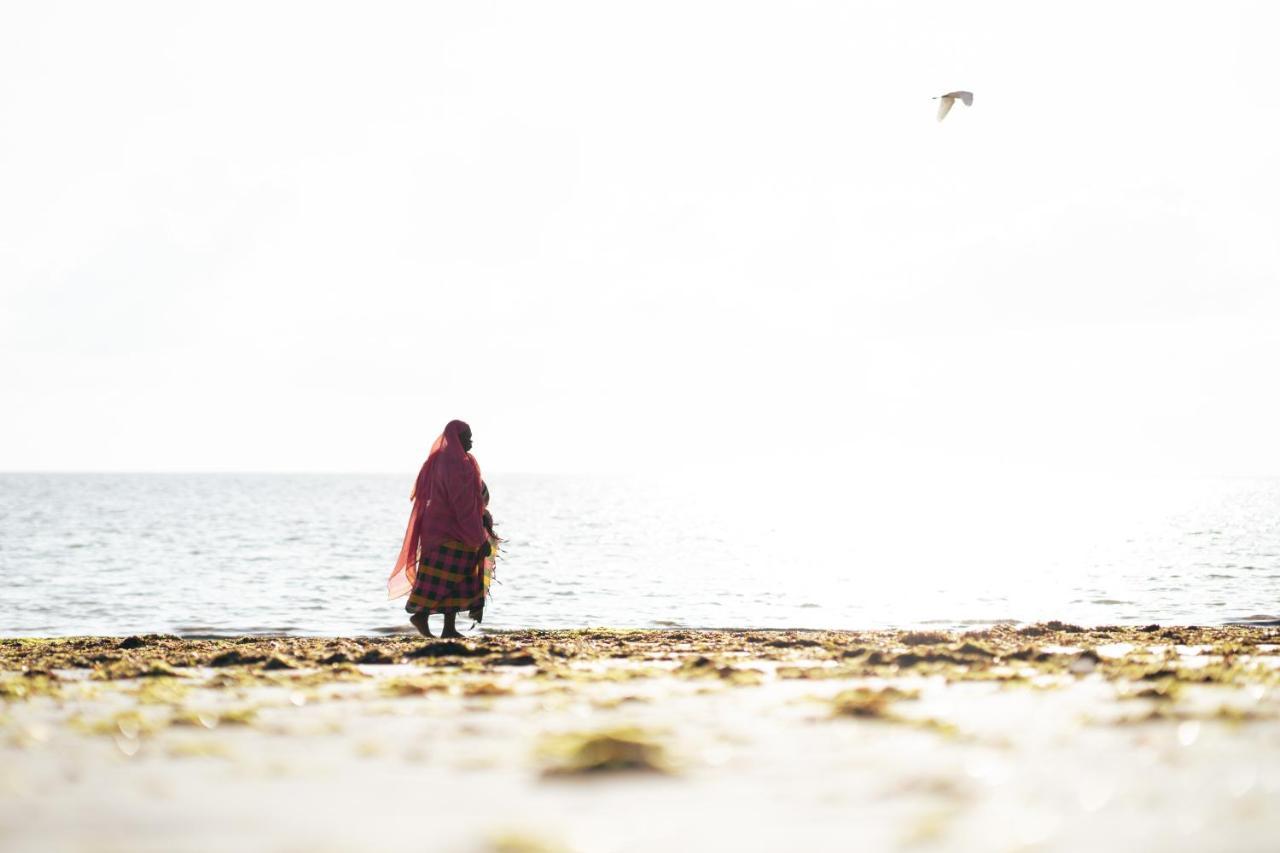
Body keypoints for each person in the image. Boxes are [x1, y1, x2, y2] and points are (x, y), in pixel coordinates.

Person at [387, 420, 495, 638]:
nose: (471, 442)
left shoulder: (436, 461)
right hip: (454, 531)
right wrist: (478, 538)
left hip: (434, 530)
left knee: (451, 578)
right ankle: (422, 616)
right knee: (450, 576)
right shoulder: (459, 465)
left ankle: (447, 628)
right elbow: (462, 504)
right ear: (457, 438)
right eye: (467, 437)